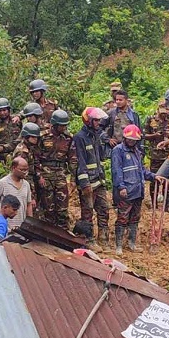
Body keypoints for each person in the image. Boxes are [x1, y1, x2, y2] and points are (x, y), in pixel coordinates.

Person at [111, 124, 169, 255]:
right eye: (129, 139)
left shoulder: (137, 152)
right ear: (125, 138)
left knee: (135, 218)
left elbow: (142, 170)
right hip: (126, 190)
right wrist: (121, 186)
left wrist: (154, 176)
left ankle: (131, 243)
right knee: (122, 217)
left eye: (134, 140)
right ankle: (119, 245)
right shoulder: (118, 151)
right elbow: (117, 171)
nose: (131, 141)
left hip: (137, 190)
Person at [73, 107, 111, 252]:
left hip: (99, 181)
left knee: (103, 210)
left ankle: (104, 239)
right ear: (88, 121)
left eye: (99, 120)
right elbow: (80, 163)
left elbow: (99, 159)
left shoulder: (96, 136)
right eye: (95, 120)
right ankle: (89, 240)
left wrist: (103, 178)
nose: (98, 123)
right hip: (88, 183)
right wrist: (84, 184)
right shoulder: (80, 138)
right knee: (87, 213)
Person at [37, 109, 77, 229]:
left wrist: (73, 178)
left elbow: (73, 159)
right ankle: (48, 233)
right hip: (45, 174)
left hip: (60, 174)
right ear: (55, 124)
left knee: (62, 207)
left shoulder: (68, 138)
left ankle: (63, 231)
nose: (64, 127)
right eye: (61, 125)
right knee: (48, 207)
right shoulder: (43, 136)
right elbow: (35, 157)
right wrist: (39, 175)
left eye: (65, 125)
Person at [0, 156, 34, 231]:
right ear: (13, 168)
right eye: (22, 170)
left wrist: (30, 223)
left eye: (26, 170)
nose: (25, 172)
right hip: (5, 227)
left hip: (21, 227)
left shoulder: (26, 184)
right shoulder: (2, 183)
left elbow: (29, 204)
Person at [143, 97, 169, 206]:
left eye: (166, 112)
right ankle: (154, 203)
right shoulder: (151, 120)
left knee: (168, 180)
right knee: (154, 179)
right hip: (156, 155)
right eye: (162, 113)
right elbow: (144, 135)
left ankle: (166, 204)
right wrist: (155, 136)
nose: (164, 115)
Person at [13, 122, 43, 216]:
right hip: (25, 185)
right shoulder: (23, 152)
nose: (36, 139)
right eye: (33, 137)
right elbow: (24, 176)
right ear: (26, 137)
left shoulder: (31, 148)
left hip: (31, 181)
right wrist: (31, 196)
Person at [101, 89, 141, 160]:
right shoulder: (111, 113)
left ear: (126, 100)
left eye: (120, 100)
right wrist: (108, 139)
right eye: (117, 100)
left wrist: (140, 149)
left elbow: (139, 132)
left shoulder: (133, 115)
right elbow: (99, 127)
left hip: (130, 147)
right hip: (114, 146)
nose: (118, 102)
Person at [0, 97, 21, 165]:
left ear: (8, 110)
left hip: (18, 153)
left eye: (4, 110)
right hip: (3, 157)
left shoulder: (17, 121)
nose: (2, 113)